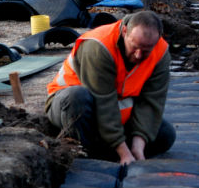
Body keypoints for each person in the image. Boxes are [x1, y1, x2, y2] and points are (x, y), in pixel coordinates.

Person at [45, 11, 175, 165]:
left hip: (115, 115)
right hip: (72, 108)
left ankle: (103, 149)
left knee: (165, 134)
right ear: (125, 31)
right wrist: (124, 152)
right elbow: (104, 102)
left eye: (146, 50)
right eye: (135, 47)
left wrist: (137, 147)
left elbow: (151, 102)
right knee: (77, 97)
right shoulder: (99, 45)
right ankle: (84, 152)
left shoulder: (160, 53)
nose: (139, 55)